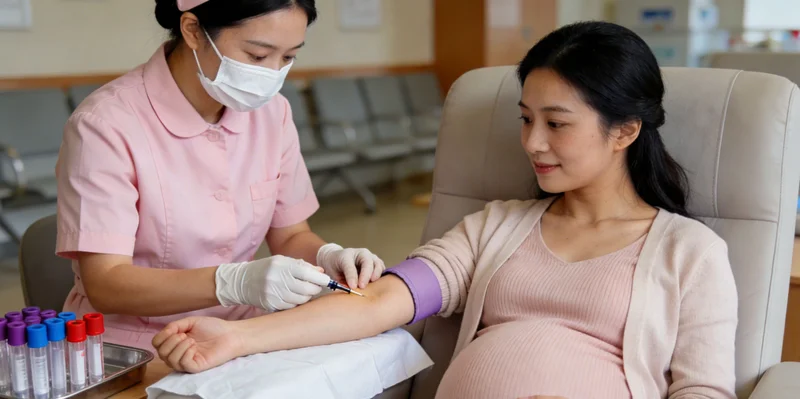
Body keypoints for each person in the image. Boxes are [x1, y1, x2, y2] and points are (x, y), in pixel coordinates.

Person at [152, 21, 738, 399]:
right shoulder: (496, 227)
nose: (532, 143)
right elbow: (377, 302)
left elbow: (703, 391)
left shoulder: (689, 252)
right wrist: (238, 339)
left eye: (556, 124)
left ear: (625, 131)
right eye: (525, 119)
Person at [55, 0, 385, 351]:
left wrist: (327, 256)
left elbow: (290, 235)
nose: (273, 74)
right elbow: (106, 283)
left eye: (288, 57)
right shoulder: (105, 125)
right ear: (193, 31)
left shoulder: (273, 113)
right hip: (136, 345)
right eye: (258, 55)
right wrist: (232, 283)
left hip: (242, 332)